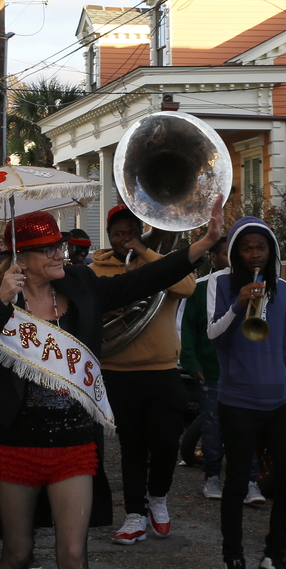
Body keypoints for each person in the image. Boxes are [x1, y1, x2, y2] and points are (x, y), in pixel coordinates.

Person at [0, 201, 225, 569]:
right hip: (15, 442)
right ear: (23, 256)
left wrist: (205, 244)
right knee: (16, 552)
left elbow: (146, 281)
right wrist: (1, 303)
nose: (63, 253)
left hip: (73, 442)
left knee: (73, 555)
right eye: (50, 248)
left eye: (61, 245)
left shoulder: (79, 285)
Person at [206, 216, 286, 569]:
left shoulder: (280, 288)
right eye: (247, 247)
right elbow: (214, 335)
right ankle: (234, 564)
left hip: (278, 400)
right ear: (236, 252)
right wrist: (238, 304)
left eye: (261, 247)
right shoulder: (220, 283)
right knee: (236, 483)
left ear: (270, 252)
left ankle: (274, 560)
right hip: (238, 401)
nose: (254, 253)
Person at [90, 204, 195, 545]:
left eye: (130, 232)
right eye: (118, 233)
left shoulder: (161, 262)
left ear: (141, 232)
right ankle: (134, 514)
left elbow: (187, 287)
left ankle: (158, 499)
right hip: (118, 371)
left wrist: (145, 252)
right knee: (131, 447)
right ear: (109, 236)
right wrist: (103, 309)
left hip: (163, 369)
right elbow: (82, 310)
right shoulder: (96, 269)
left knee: (167, 441)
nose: (124, 239)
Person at [179, 235, 259, 504]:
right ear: (213, 257)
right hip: (211, 370)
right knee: (212, 428)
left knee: (247, 429)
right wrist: (192, 363)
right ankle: (212, 476)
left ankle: (250, 480)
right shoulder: (200, 288)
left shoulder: (252, 287)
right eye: (225, 254)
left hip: (242, 371)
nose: (230, 259)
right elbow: (187, 328)